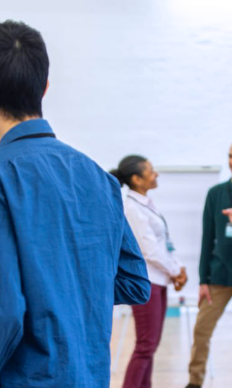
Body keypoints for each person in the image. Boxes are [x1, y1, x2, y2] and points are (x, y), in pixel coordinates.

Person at [0, 21, 151, 388]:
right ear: (44, 87)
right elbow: (136, 282)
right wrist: (64, 291)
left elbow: (1, 313)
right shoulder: (100, 179)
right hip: (89, 377)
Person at [110, 155, 187, 388]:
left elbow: (164, 242)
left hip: (160, 280)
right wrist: (175, 271)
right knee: (145, 346)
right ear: (136, 178)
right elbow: (149, 250)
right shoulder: (132, 207)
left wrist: (178, 268)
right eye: (151, 171)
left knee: (151, 345)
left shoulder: (147, 203)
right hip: (148, 282)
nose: (156, 174)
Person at [185, 145, 232, 388]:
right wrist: (203, 279)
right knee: (201, 330)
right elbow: (207, 237)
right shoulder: (216, 193)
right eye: (231, 156)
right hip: (219, 277)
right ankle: (194, 382)